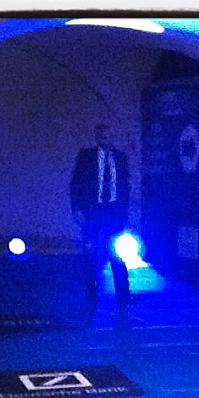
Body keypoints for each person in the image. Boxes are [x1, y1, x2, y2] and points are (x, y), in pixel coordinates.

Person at [70, 123, 132, 311]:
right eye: (102, 135)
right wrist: (77, 208)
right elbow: (76, 183)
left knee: (118, 252)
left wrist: (125, 213)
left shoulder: (120, 158)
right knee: (90, 251)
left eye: (109, 135)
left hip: (113, 211)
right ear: (97, 136)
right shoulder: (86, 156)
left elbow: (125, 186)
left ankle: (123, 294)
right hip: (92, 210)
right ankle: (90, 292)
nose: (106, 138)